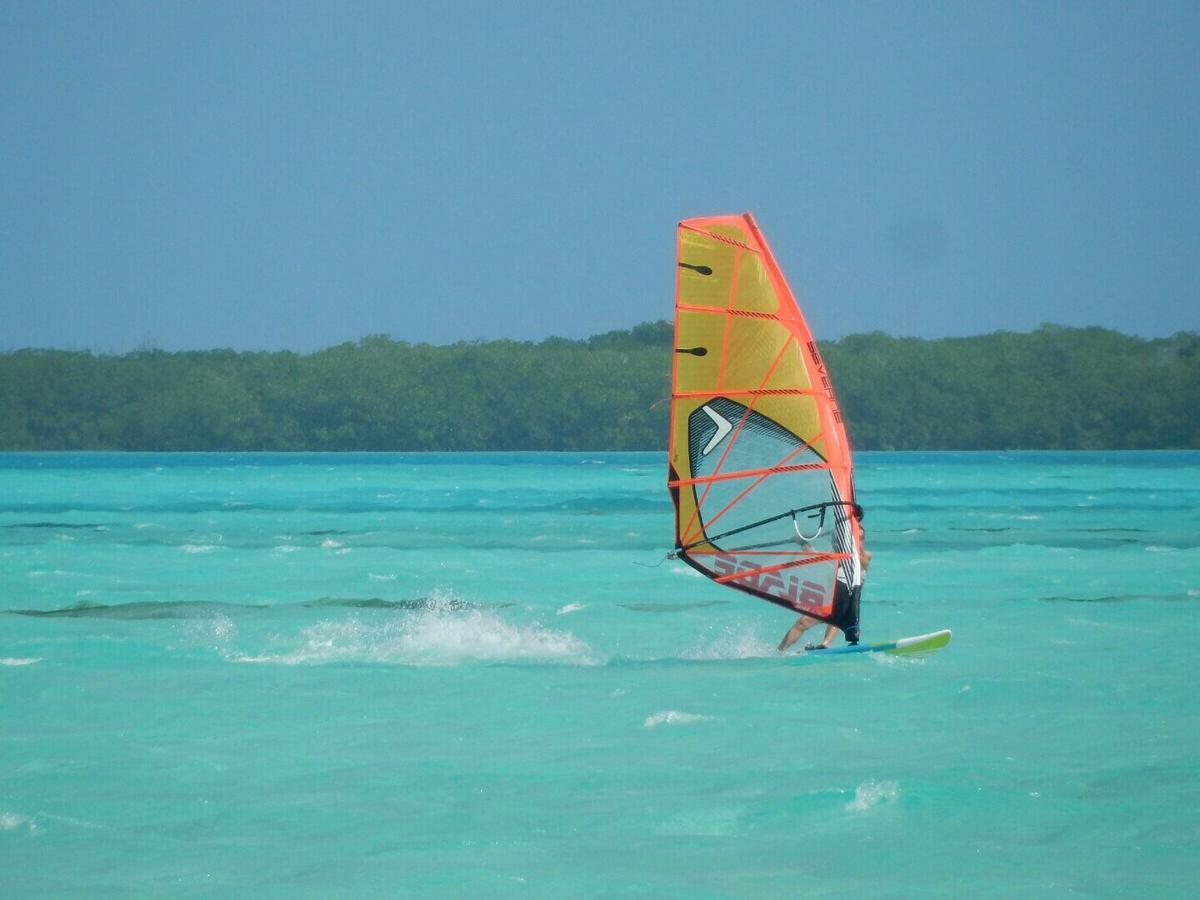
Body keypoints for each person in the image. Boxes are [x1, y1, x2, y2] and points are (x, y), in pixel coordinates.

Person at [777, 505, 870, 652]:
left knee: (838, 615)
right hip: (830, 595)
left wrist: (852, 535)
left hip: (847, 595)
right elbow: (815, 554)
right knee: (803, 622)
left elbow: (860, 554)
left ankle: (825, 645)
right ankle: (779, 652)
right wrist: (802, 541)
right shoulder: (837, 549)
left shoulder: (861, 547)